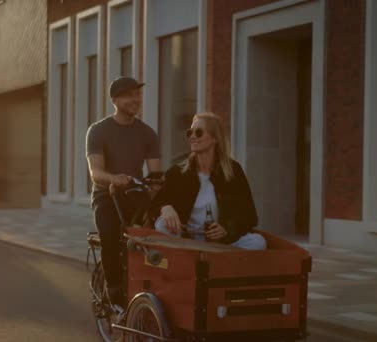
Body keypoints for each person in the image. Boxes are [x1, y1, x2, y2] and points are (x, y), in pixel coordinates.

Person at [86, 76, 162, 306]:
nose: (135, 99)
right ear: (114, 99)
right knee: (110, 234)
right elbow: (95, 172)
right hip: (107, 195)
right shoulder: (99, 130)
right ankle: (114, 289)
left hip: (136, 195)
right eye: (129, 95)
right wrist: (114, 179)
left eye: (137, 94)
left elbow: (157, 175)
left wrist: (156, 193)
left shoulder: (147, 133)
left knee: (156, 235)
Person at [150, 112, 266, 250]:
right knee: (162, 224)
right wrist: (165, 208)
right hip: (186, 241)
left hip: (221, 242)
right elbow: (154, 205)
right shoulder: (177, 172)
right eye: (190, 132)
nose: (192, 137)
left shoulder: (233, 171)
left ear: (215, 138)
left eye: (198, 132)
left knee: (258, 242)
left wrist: (227, 229)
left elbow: (250, 216)